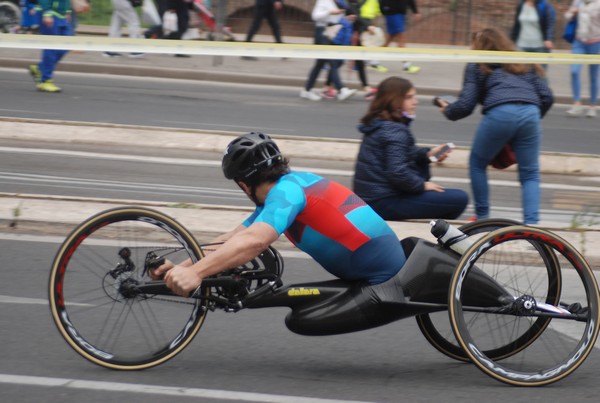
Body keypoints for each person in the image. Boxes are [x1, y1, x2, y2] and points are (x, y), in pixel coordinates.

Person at [151, 132, 408, 299]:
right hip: (372, 267)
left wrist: (197, 274)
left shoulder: (288, 194)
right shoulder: (286, 190)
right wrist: (183, 268)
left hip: (382, 277)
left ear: (243, 184)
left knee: (301, 319)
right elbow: (232, 239)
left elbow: (255, 242)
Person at [439, 28, 554, 225]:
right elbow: (547, 96)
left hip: (500, 112)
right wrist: (528, 119)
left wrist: (448, 110)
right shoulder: (523, 62)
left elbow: (466, 105)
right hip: (531, 113)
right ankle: (533, 225)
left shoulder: (478, 65)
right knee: (530, 173)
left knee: (477, 163)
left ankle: (483, 218)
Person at [353, 76, 469, 221]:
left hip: (373, 198)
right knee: (459, 199)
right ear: (394, 101)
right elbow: (398, 172)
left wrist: (427, 155)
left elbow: (401, 155)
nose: (416, 102)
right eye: (409, 97)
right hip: (383, 201)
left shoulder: (380, 124)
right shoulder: (395, 130)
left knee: (446, 198)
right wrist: (421, 185)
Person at [300, 0, 357, 101]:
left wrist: (345, 18)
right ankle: (342, 90)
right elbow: (315, 16)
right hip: (321, 33)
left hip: (327, 33)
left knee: (319, 64)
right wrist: (329, 12)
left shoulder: (331, 1)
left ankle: (307, 90)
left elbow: (332, 19)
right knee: (332, 62)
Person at [27, 0, 74, 93]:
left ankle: (40, 68)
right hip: (50, 13)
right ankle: (45, 81)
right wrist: (47, 14)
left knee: (66, 45)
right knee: (51, 48)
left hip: (61, 14)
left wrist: (67, 10)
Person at [564, 0, 600, 117]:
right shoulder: (578, 2)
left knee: (593, 75)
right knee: (574, 71)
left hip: (596, 43)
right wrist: (573, 13)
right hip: (579, 42)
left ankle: (592, 105)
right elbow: (567, 16)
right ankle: (577, 104)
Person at [378, 0, 421, 73]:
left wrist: (415, 11)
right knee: (401, 38)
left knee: (389, 39)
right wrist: (385, 9)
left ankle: (372, 60)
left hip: (400, 14)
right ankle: (406, 65)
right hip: (392, 13)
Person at [510, 0, 556, 65]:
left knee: (539, 74)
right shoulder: (521, 4)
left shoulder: (544, 5)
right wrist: (511, 40)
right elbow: (516, 25)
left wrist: (549, 38)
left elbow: (550, 23)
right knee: (521, 72)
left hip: (539, 46)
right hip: (522, 46)